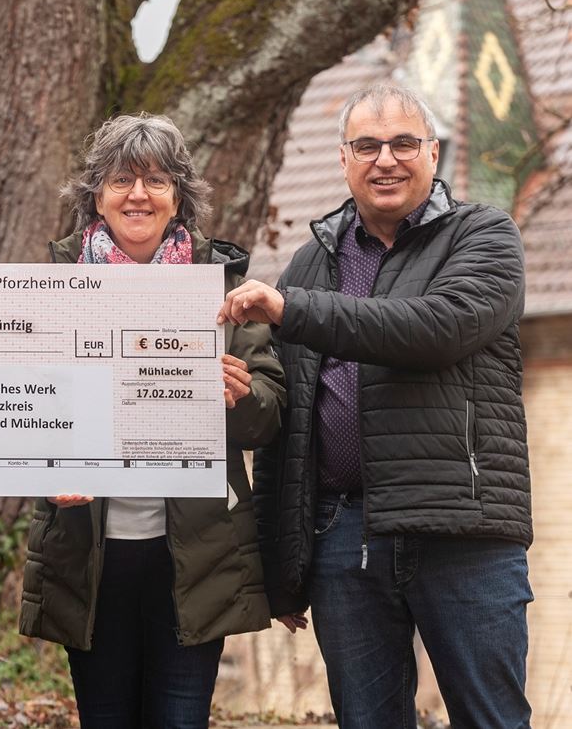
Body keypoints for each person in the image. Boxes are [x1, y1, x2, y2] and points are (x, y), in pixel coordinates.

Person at [217, 84, 533, 728]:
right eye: (367, 146)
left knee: (492, 720)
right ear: (343, 160)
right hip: (343, 541)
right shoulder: (310, 264)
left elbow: (434, 328)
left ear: (433, 153)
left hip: (462, 535)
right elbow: (293, 427)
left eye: (403, 143)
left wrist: (293, 311)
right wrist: (284, 562)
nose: (385, 159)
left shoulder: (484, 235)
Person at [18, 113, 285, 728]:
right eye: (121, 180)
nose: (138, 194)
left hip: (194, 559)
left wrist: (240, 397)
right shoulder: (53, 286)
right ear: (97, 198)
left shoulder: (224, 292)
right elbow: (16, 408)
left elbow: (269, 418)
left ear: (178, 199)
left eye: (156, 180)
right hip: (89, 553)